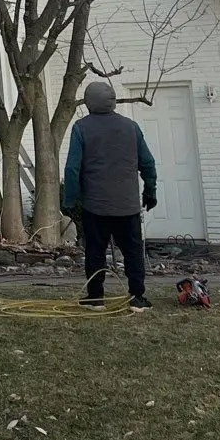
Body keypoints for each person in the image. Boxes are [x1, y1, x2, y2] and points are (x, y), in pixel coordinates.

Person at [60, 80, 159, 310]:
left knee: (95, 250)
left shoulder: (81, 128)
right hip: (128, 205)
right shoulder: (131, 127)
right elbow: (148, 163)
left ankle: (96, 298)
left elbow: (72, 168)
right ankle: (137, 297)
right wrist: (150, 191)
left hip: (96, 206)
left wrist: (70, 200)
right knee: (133, 251)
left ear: (88, 102)